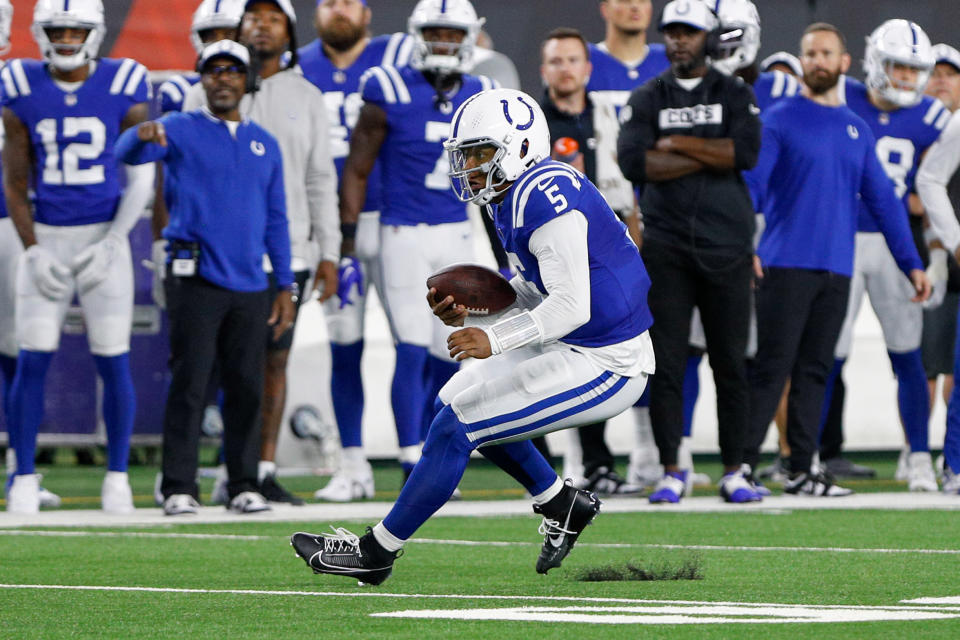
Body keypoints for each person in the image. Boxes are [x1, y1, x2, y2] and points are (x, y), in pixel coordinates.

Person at [291, 87, 655, 585]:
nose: (469, 166)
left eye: (481, 153)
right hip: (573, 339)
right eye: (465, 155)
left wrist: (495, 340)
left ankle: (376, 552)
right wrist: (474, 316)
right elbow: (533, 293)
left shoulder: (547, 196)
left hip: (609, 360)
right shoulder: (509, 196)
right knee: (451, 406)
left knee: (457, 427)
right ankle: (561, 502)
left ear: (520, 147)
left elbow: (572, 305)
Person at [743, 23, 930, 497]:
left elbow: (886, 203)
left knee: (816, 370)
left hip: (836, 269)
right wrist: (746, 245)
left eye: (827, 53)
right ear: (803, 60)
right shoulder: (780, 119)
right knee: (772, 368)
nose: (818, 61)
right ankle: (739, 467)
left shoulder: (856, 129)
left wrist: (911, 264)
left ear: (845, 63)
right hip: (785, 264)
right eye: (811, 54)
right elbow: (753, 187)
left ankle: (804, 470)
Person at [117, 39, 296, 516]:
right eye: (213, 70)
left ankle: (242, 484)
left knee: (246, 387)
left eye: (232, 70)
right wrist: (140, 135)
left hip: (251, 284)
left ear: (246, 81)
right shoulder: (178, 127)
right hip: (194, 279)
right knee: (190, 384)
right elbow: (126, 153)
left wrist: (285, 285)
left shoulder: (265, 142)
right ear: (202, 78)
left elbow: (276, 219)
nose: (223, 78)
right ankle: (178, 485)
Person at [182, 0, 340, 505]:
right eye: (254, 17)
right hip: (218, 249)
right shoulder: (207, 91)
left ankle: (259, 469)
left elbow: (320, 179)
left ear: (290, 33)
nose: (262, 25)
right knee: (206, 365)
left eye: (274, 18)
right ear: (237, 28)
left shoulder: (308, 96)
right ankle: (218, 471)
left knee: (272, 362)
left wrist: (330, 251)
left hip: (289, 247)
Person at [334, 0, 495, 483]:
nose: (443, 42)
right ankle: (410, 460)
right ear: (417, 35)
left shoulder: (482, 93)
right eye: (435, 32)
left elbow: (492, 181)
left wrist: (506, 252)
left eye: (452, 33)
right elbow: (357, 169)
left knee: (447, 347)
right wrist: (346, 245)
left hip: (456, 229)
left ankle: (433, 447)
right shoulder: (388, 87)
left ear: (469, 38)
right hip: (402, 232)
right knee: (408, 341)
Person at [2, 0, 152, 514]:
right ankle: (22, 475)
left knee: (113, 358)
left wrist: (115, 240)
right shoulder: (20, 84)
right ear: (39, 32)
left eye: (76, 28)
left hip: (102, 236)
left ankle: (117, 477)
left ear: (96, 32)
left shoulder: (125, 81)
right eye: (56, 29)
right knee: (33, 355)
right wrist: (34, 248)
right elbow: (16, 181)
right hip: (46, 234)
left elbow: (143, 174)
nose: (66, 38)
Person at [617, 0, 762, 504]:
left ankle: (734, 469)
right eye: (673, 32)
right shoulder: (647, 94)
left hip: (728, 245)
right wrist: (707, 151)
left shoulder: (734, 90)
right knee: (669, 365)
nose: (680, 40)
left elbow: (744, 153)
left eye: (690, 32)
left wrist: (675, 141)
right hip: (668, 247)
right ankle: (673, 469)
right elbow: (635, 162)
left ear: (708, 37)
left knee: (730, 363)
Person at [818, 20, 949, 490]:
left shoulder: (933, 118)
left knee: (907, 354)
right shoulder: (839, 96)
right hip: (838, 239)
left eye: (915, 70)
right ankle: (811, 457)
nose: (906, 78)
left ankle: (917, 455)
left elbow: (935, 188)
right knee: (828, 354)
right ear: (875, 61)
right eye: (898, 66)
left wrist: (935, 249)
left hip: (897, 243)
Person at [298, 0, 410, 502]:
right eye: (329, 2)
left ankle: (418, 457)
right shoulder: (297, 65)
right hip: (330, 227)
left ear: (367, 12)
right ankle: (353, 465)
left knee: (416, 344)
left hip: (395, 219)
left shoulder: (401, 53)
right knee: (344, 346)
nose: (338, 10)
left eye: (348, 1)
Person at [538, 27, 639, 495]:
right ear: (545, 70)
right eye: (556, 61)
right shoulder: (532, 126)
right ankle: (538, 472)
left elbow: (625, 196)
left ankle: (597, 464)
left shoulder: (605, 118)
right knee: (536, 363)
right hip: (544, 260)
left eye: (572, 60)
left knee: (594, 354)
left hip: (599, 259)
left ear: (588, 68)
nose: (565, 69)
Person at [916, 44, 960, 495]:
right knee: (928, 364)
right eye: (934, 73)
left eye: (951, 73)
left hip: (943, 256)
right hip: (926, 261)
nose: (942, 81)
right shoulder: (920, 127)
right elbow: (919, 189)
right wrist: (944, 246)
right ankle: (922, 456)